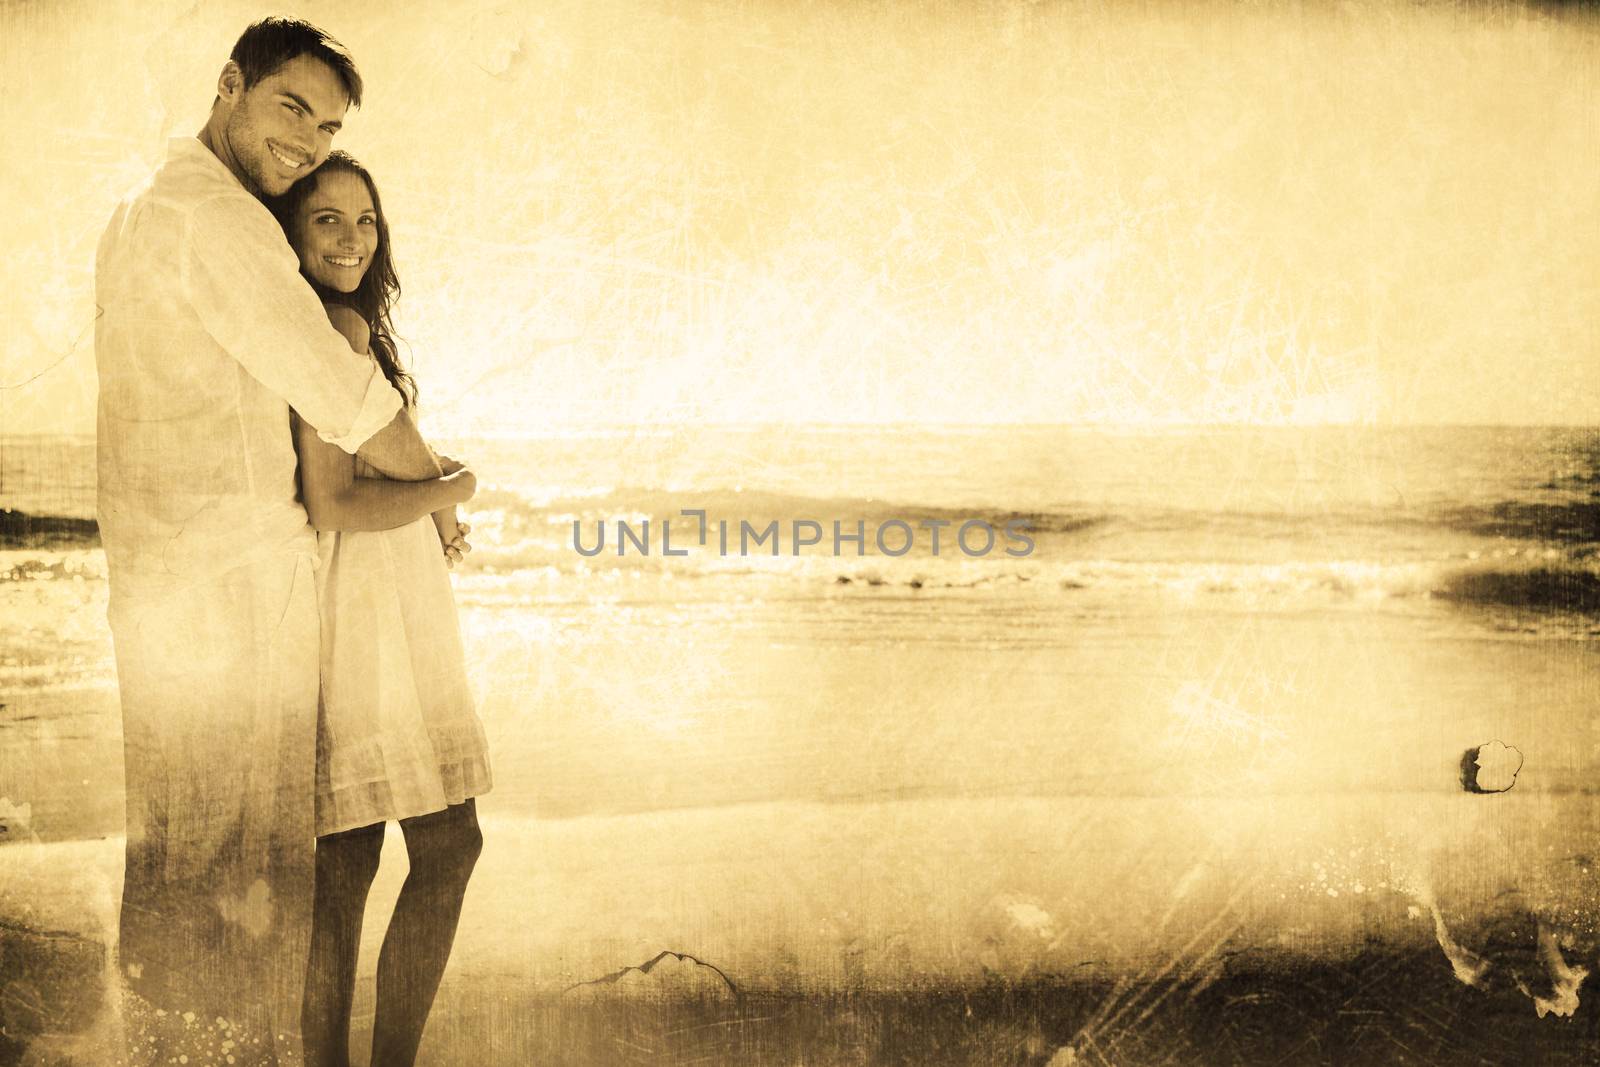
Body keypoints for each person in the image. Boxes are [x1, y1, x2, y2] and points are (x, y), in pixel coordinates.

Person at [93, 17, 474, 1064]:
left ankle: (169, 1049)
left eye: (329, 124)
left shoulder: (137, 215)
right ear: (230, 87)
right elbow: (340, 394)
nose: (305, 140)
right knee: (239, 869)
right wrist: (446, 488)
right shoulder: (217, 221)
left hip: (166, 581)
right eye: (290, 107)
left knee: (185, 857)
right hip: (231, 584)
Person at [267, 151, 493, 1067]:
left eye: (364, 220)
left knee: (349, 863)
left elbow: (378, 458)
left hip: (370, 609)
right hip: (369, 618)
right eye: (326, 219)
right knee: (445, 845)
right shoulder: (337, 331)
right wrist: (458, 485)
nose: (351, 237)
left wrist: (436, 487)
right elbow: (336, 500)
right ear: (289, 232)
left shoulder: (328, 329)